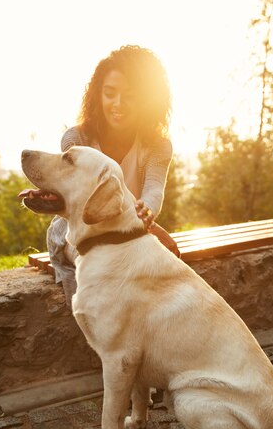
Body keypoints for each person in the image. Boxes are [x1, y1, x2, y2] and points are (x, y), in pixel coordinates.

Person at [47, 44, 180, 304]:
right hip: (77, 233)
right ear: (98, 95)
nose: (118, 104)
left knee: (168, 258)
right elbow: (87, 201)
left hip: (126, 230)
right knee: (112, 270)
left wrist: (148, 215)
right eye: (110, 93)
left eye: (129, 95)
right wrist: (149, 227)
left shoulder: (158, 146)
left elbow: (154, 190)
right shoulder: (76, 139)